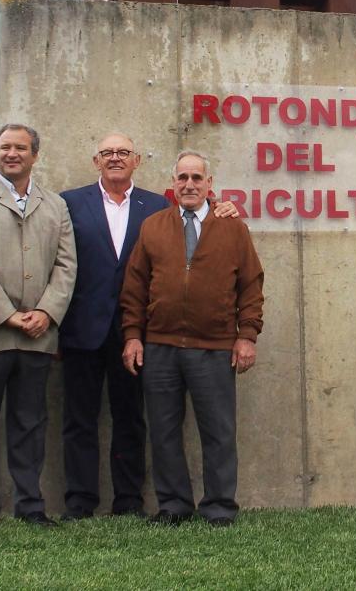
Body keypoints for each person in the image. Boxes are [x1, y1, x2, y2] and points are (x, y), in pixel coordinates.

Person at [58, 132, 238, 520]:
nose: (115, 158)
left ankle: (128, 501)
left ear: (137, 160)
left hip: (140, 335)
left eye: (123, 152)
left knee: (131, 419)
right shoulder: (69, 203)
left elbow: (201, 213)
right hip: (86, 328)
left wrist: (225, 208)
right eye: (107, 152)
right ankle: (80, 501)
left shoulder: (157, 207)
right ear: (96, 161)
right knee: (79, 420)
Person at [121, 150, 264, 527]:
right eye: (182, 178)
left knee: (218, 432)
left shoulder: (233, 228)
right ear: (173, 184)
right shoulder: (153, 226)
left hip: (214, 348)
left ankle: (218, 507)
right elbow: (134, 288)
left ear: (209, 184)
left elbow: (251, 285)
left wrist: (246, 335)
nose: (189, 185)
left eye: (196, 178)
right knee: (164, 431)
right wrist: (133, 336)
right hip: (161, 347)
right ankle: (173, 506)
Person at [0, 123, 77, 528]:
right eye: (5, 147)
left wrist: (46, 312)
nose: (12, 154)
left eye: (20, 148)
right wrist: (7, 314)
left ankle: (30, 505)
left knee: (29, 423)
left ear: (34, 155)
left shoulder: (55, 206)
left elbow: (66, 265)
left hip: (37, 337)